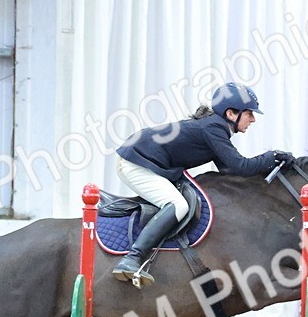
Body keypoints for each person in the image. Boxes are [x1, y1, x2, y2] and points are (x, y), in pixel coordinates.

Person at [112, 82, 294, 286]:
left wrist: (271, 167)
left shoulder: (215, 127)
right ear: (231, 113)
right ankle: (132, 258)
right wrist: (272, 156)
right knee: (178, 205)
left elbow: (230, 170)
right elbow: (241, 166)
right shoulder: (214, 127)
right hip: (135, 163)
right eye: (249, 113)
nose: (253, 119)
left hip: (144, 159)